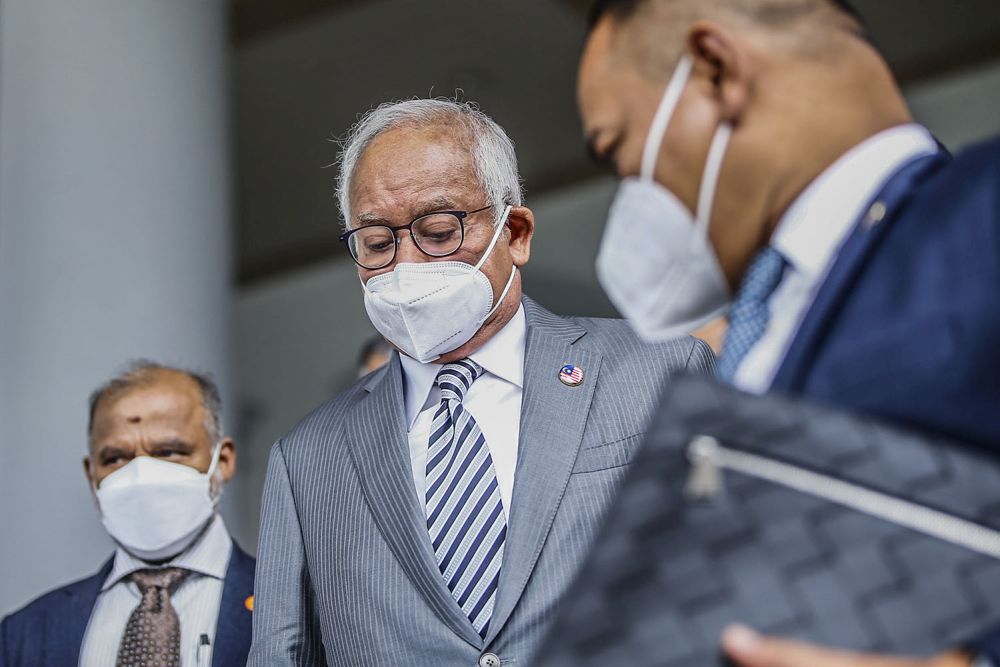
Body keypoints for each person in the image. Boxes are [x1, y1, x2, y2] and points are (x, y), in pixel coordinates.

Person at [577, 0, 1000, 665]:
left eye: (615, 149)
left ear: (716, 70)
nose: (627, 189)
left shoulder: (981, 218)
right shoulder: (750, 328)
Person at [248, 98, 716, 666]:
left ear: (515, 233)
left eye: (439, 231)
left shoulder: (657, 374)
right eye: (377, 243)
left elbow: (732, 576)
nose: (406, 265)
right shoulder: (307, 460)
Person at [0, 362, 255, 667]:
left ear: (223, 460)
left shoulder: (294, 606)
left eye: (169, 452)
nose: (140, 473)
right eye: (116, 458)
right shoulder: (27, 633)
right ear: (91, 474)